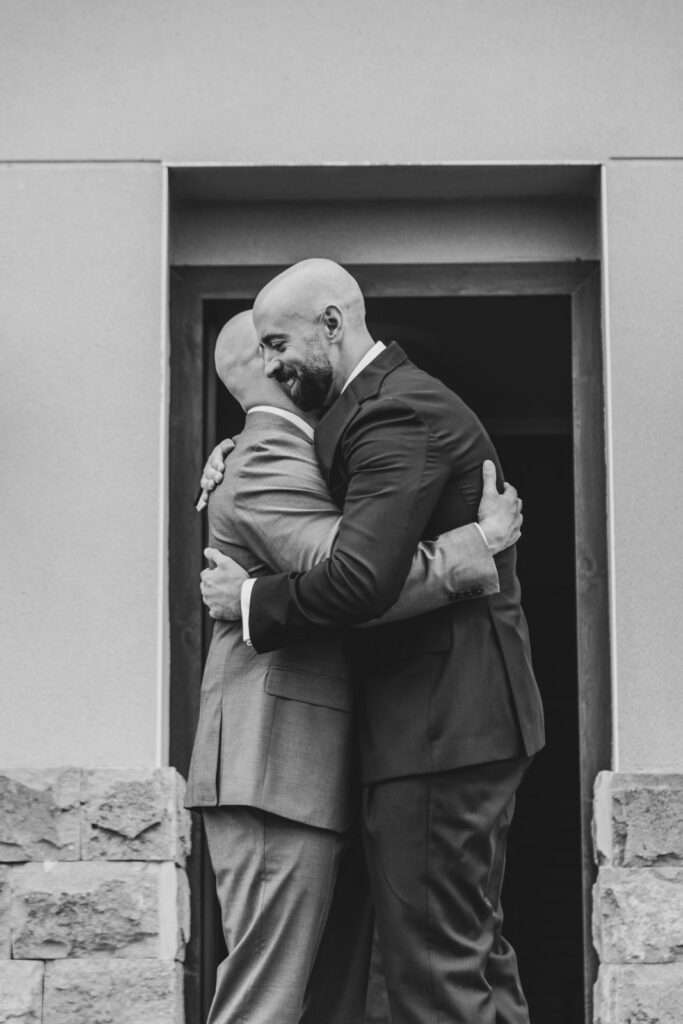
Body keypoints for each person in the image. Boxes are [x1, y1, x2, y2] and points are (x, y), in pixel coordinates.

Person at [199, 260, 545, 1024]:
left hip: (420, 731)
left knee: (434, 967)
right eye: (265, 349)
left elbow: (357, 574)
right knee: (305, 991)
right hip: (288, 765)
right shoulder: (272, 457)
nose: (277, 362)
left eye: (280, 343)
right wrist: (475, 546)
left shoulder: (369, 420)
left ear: (328, 325)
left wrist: (252, 590)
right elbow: (353, 570)